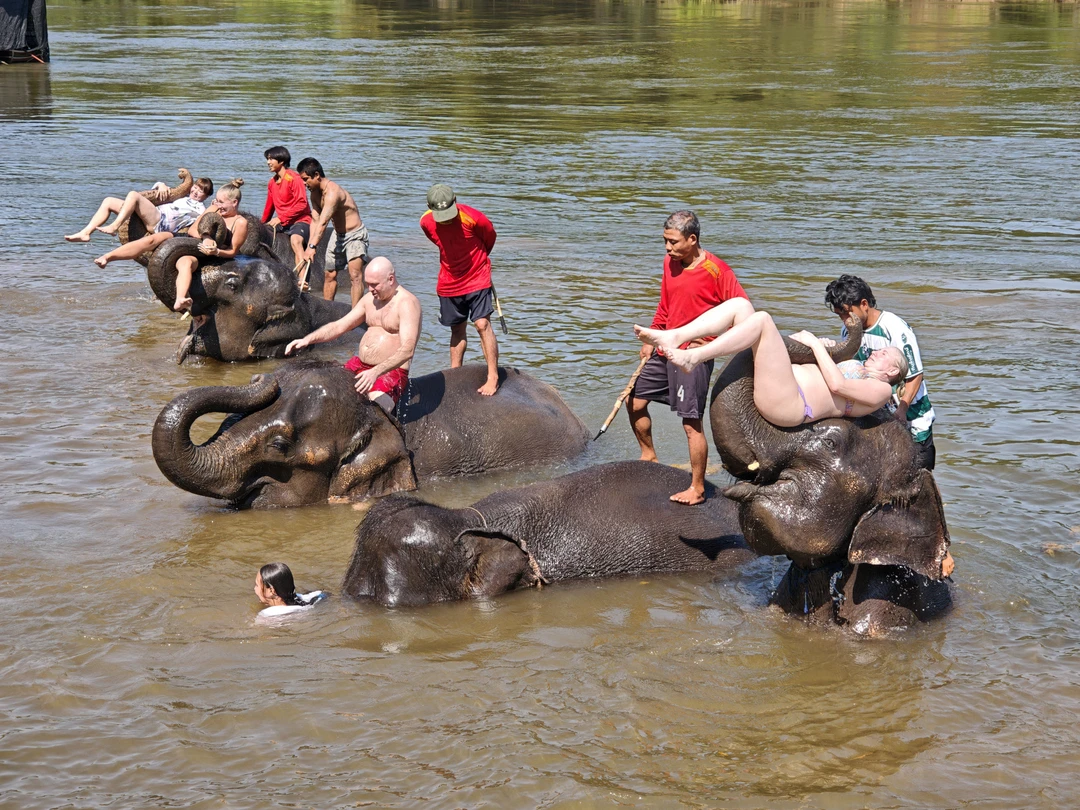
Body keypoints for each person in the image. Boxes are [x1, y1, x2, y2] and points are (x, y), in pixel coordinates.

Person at [628, 210, 752, 506]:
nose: (667, 248)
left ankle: (697, 488)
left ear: (692, 239)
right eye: (665, 241)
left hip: (693, 355)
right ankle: (649, 454)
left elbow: (744, 315)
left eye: (673, 242)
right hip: (665, 347)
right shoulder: (669, 262)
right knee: (634, 401)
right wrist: (653, 336)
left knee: (690, 423)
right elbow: (665, 303)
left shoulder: (718, 271)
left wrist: (711, 342)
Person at [635, 297, 909, 425]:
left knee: (764, 320)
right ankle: (676, 336)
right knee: (741, 306)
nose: (877, 351)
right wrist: (822, 347)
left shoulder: (882, 391)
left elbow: (837, 386)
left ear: (893, 370)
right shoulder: (860, 367)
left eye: (885, 354)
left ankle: (694, 356)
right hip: (785, 382)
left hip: (792, 404)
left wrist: (814, 343)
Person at [824, 275, 937, 470]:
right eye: (840, 316)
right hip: (880, 414)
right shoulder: (850, 332)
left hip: (911, 416)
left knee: (916, 477)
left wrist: (902, 410)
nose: (844, 320)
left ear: (864, 304)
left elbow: (915, 375)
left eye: (846, 314)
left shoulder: (894, 328)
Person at [284, 257, 422, 413]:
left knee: (374, 411)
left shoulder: (407, 304)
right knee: (325, 389)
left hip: (390, 372)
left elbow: (408, 350)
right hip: (360, 365)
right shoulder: (370, 299)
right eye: (368, 284)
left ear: (391, 279)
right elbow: (339, 326)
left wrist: (376, 372)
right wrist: (307, 339)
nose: (370, 289)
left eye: (375, 285)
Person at [420, 183, 500, 396]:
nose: (446, 219)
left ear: (455, 201)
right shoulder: (426, 221)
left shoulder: (473, 217)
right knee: (457, 329)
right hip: (449, 281)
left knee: (482, 324)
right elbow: (438, 241)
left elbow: (490, 237)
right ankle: (455, 374)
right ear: (430, 208)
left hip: (477, 276)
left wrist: (479, 261)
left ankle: (493, 376)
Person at [65, 177, 214, 268]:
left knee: (133, 195)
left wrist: (216, 207)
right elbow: (158, 192)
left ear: (206, 196)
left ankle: (114, 227)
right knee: (109, 201)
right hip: (152, 213)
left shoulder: (200, 209)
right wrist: (161, 184)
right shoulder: (182, 196)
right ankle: (86, 232)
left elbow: (206, 220)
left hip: (160, 221)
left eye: (201, 191)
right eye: (195, 187)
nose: (195, 191)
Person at [295, 157, 370, 305]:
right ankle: (327, 309)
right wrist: (308, 247)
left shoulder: (332, 192)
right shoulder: (315, 194)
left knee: (355, 276)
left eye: (306, 179)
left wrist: (312, 247)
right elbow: (315, 221)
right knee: (329, 274)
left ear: (316, 175)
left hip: (354, 234)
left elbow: (323, 222)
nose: (304, 184)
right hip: (338, 234)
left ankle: (356, 315)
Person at [173, 181, 250, 313]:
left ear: (234, 202)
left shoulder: (241, 222)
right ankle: (180, 298)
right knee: (185, 262)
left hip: (218, 257)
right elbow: (193, 230)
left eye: (221, 202)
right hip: (200, 250)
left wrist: (216, 251)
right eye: (216, 201)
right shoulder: (214, 209)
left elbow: (233, 251)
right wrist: (206, 238)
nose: (217, 205)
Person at [261, 145, 312, 268]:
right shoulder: (272, 182)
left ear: (282, 161)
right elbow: (269, 208)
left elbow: (302, 203)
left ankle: (301, 279)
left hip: (301, 220)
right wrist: (261, 225)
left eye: (271, 159)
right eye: (267, 159)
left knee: (296, 241)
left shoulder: (294, 178)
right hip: (284, 222)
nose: (268, 162)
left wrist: (281, 218)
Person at [254, 562, 327, 621]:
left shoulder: (266, 616)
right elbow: (322, 594)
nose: (255, 589)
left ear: (271, 591)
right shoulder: (302, 599)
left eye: (257, 585)